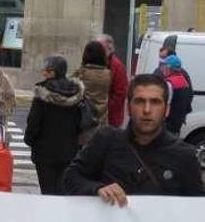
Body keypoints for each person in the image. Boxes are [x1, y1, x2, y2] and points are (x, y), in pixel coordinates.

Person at [62, 74, 204, 205]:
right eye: (139, 101)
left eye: (155, 102)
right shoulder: (106, 140)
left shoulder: (184, 155)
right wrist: (97, 189)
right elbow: (70, 178)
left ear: (166, 110)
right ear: (128, 107)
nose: (147, 110)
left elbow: (196, 210)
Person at [24, 56, 86, 195]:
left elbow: (33, 122)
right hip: (69, 152)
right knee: (64, 192)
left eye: (48, 71)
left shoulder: (42, 93)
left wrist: (29, 140)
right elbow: (80, 122)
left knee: (48, 192)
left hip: (44, 153)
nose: (44, 73)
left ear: (55, 72)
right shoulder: (76, 92)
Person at [72, 41, 111, 142]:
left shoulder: (82, 73)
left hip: (85, 118)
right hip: (102, 119)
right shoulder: (108, 74)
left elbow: (70, 87)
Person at [97, 34, 129, 127]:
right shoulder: (94, 63)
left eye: (100, 47)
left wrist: (103, 108)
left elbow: (120, 94)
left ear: (109, 49)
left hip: (110, 119)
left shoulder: (117, 66)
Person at [160, 54, 193, 136]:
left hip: (168, 125)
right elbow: (188, 102)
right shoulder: (184, 81)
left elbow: (166, 104)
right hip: (178, 124)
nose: (162, 69)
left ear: (169, 68)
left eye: (164, 66)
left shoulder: (169, 83)